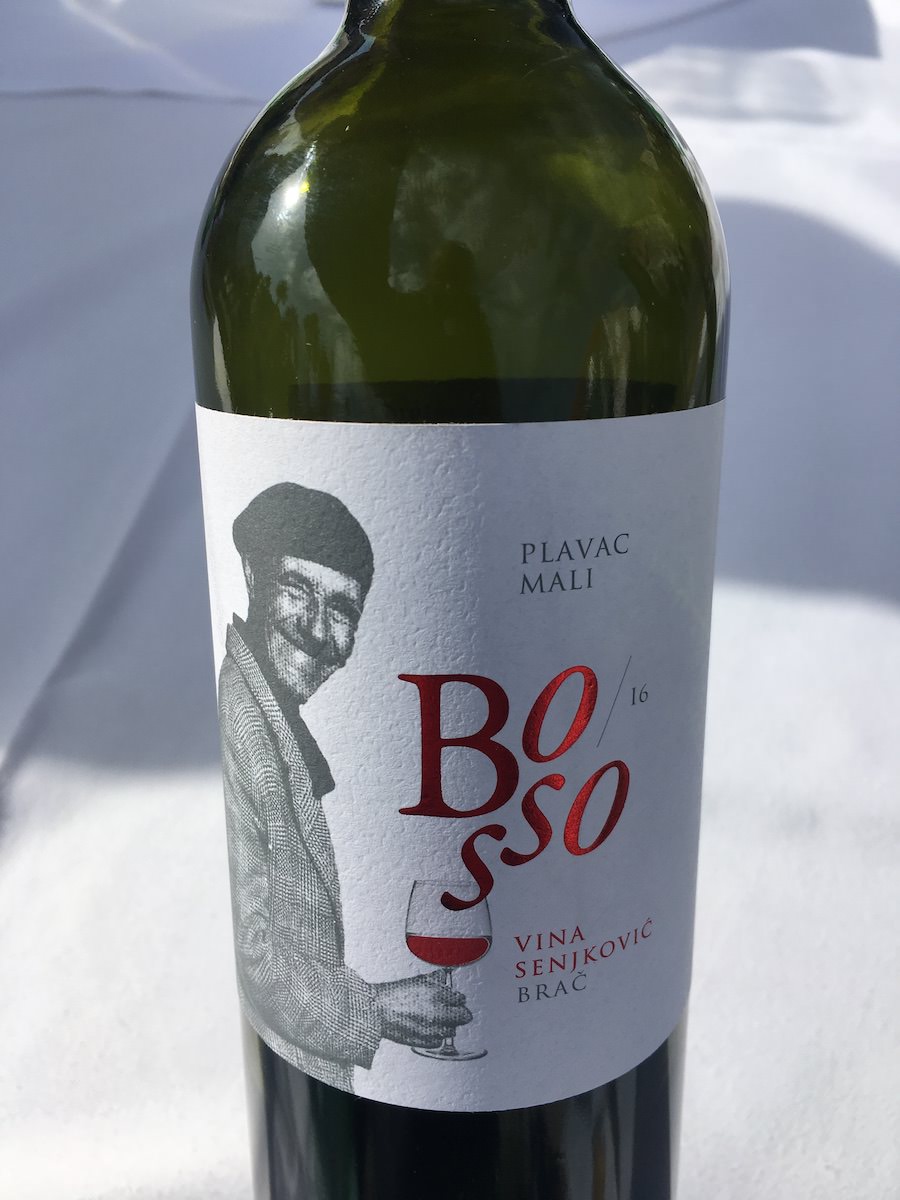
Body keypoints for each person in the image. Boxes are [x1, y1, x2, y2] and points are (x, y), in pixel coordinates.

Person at [217, 482, 470, 1093]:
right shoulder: (247, 724)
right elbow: (260, 959)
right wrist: (377, 1012)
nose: (316, 629)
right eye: (297, 590)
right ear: (252, 576)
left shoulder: (272, 718)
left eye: (341, 612)